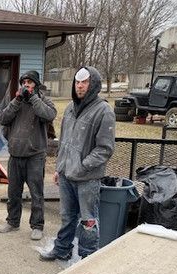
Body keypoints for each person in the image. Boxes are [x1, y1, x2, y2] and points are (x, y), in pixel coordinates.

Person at [40, 66, 115, 261]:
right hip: (66, 175)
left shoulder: (103, 111)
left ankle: (87, 256)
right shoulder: (70, 109)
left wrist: (83, 165)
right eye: (77, 82)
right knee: (67, 217)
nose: (80, 86)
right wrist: (59, 168)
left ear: (94, 85)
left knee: (88, 220)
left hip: (87, 179)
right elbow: (64, 142)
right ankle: (62, 249)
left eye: (85, 82)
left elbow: (105, 149)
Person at [0, 70, 57, 240]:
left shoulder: (44, 101)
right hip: (15, 154)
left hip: (35, 156)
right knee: (13, 192)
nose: (26, 85)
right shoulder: (16, 101)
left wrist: (33, 98)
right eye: (24, 82)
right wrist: (17, 99)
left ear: (36, 85)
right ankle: (13, 222)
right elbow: (3, 118)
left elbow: (49, 115)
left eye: (30, 82)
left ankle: (37, 225)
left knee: (36, 193)